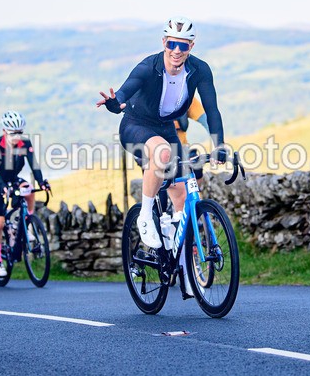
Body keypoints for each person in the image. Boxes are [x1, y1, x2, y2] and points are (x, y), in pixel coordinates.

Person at [97, 16, 227, 253]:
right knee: (163, 152)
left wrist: (219, 144)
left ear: (191, 46)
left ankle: (178, 254)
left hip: (166, 128)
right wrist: (115, 103)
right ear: (164, 42)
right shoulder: (149, 66)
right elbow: (127, 89)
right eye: (172, 44)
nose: (176, 50)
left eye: (183, 45)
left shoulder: (200, 70)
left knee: (179, 192)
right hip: (136, 125)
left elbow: (212, 110)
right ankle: (145, 216)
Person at [0, 111, 51, 277]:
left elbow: (34, 166)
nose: (17, 136)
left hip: (12, 178)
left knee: (28, 189)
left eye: (20, 132)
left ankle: (26, 223)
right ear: (5, 131)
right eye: (14, 133)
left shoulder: (25, 144)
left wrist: (42, 182)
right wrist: (2, 187)